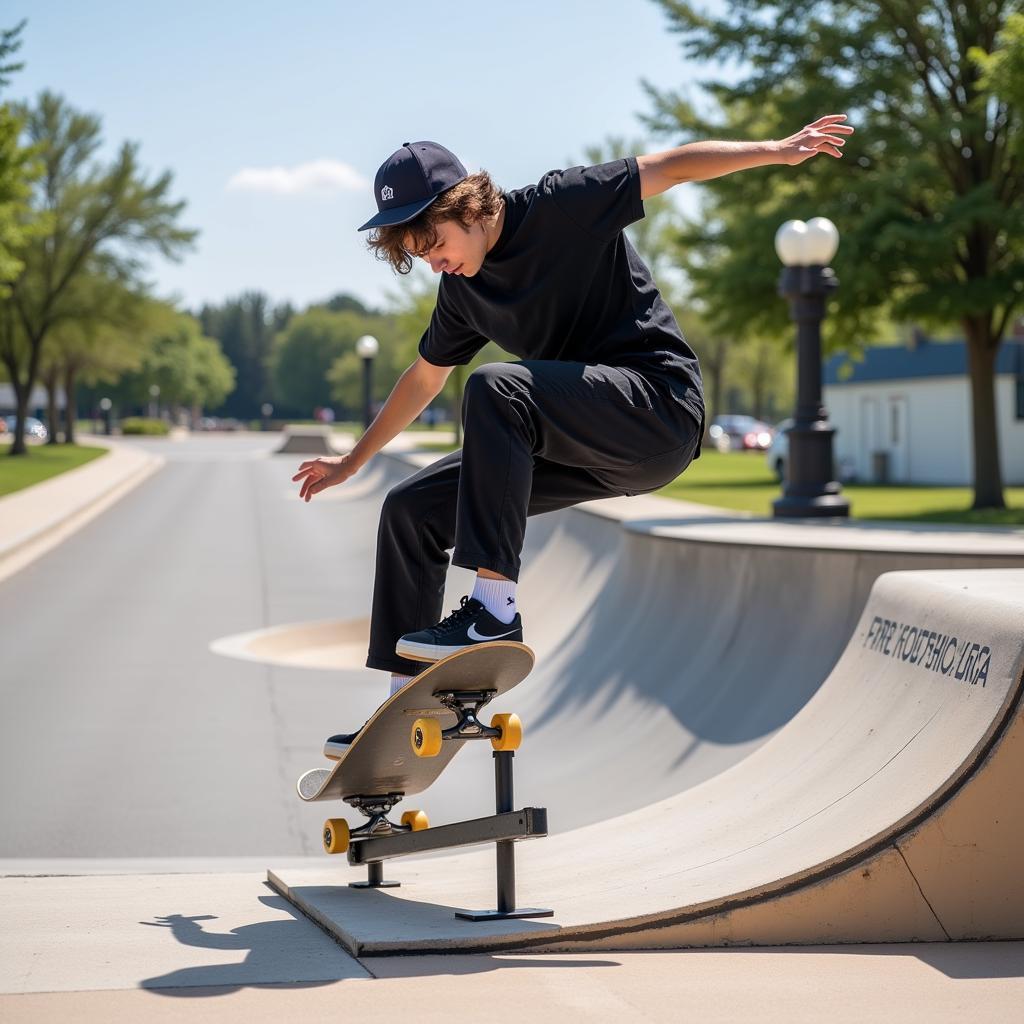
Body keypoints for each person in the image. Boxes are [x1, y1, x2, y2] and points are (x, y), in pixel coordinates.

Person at [292, 116, 853, 759]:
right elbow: (422, 378)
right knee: (410, 511)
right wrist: (353, 460)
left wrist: (774, 151)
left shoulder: (563, 205)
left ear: (468, 205)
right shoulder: (461, 292)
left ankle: (494, 610)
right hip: (583, 449)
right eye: (418, 254)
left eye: (434, 240)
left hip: (657, 409)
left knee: (496, 388)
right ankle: (403, 701)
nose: (434, 260)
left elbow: (669, 167)